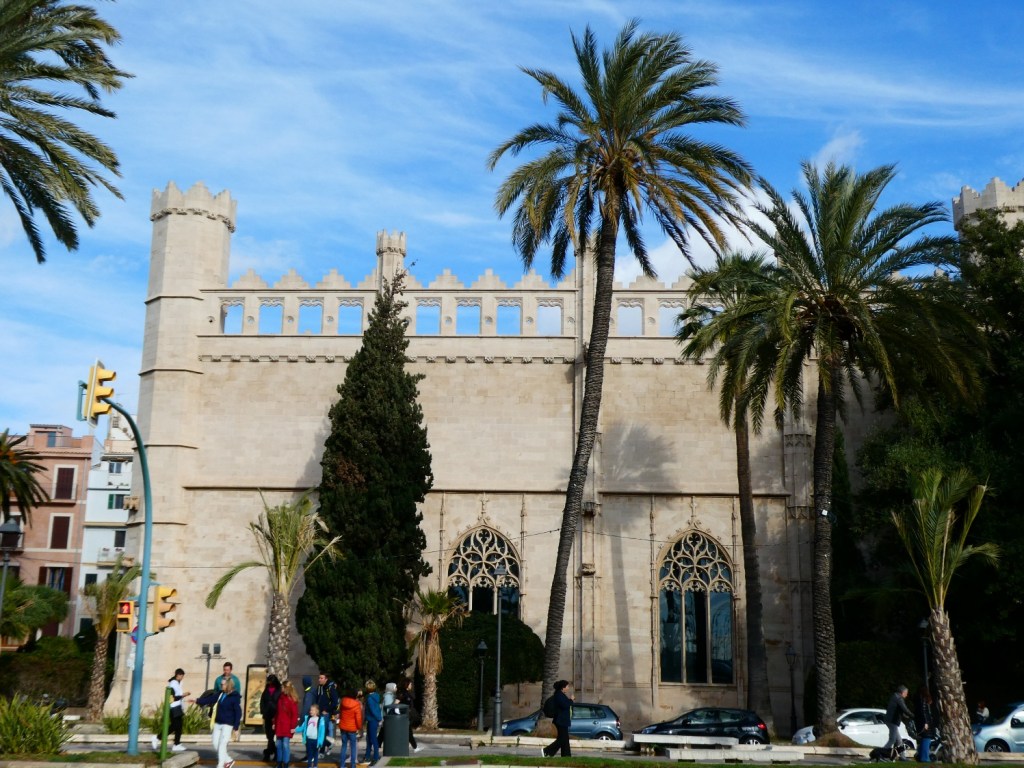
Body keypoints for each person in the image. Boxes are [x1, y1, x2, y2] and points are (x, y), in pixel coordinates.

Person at [195, 676, 242, 768]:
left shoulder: (234, 697)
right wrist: (197, 700)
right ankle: (228, 760)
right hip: (218, 722)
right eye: (221, 684)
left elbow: (238, 712)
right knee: (215, 743)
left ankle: (220, 765)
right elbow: (210, 699)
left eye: (222, 684)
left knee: (222, 744)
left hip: (227, 724)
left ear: (228, 685)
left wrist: (236, 727)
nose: (221, 686)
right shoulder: (220, 694)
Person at [157, 668, 190, 752]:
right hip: (173, 707)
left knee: (178, 726)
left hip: (178, 707)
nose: (182, 678)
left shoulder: (178, 683)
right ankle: (158, 738)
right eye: (181, 676)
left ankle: (176, 744)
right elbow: (172, 698)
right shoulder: (172, 684)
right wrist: (183, 695)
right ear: (178, 675)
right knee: (175, 726)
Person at [542, 679, 574, 758]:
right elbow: (565, 705)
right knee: (562, 739)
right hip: (560, 721)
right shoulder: (559, 695)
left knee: (565, 739)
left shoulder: (561, 695)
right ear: (563, 688)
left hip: (562, 720)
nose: (568, 688)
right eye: (567, 686)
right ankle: (547, 751)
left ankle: (566, 756)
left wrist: (569, 700)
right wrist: (571, 700)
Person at [882, 684, 913, 759]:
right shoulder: (899, 698)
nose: (907, 694)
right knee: (892, 739)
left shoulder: (895, 697)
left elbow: (898, 710)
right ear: (903, 692)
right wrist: (913, 716)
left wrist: (906, 716)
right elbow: (904, 709)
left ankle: (902, 757)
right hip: (892, 721)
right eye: (906, 693)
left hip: (891, 721)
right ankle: (882, 753)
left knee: (899, 741)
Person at [274, 681, 300, 768]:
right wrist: (274, 722)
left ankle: (285, 763)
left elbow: (294, 715)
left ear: (286, 688)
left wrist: (293, 727)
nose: (281, 688)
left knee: (285, 745)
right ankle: (279, 762)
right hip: (279, 725)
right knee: (278, 745)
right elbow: (277, 712)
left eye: (282, 687)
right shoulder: (280, 698)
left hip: (287, 726)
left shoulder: (292, 700)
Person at [337, 688, 363, 768]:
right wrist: (359, 727)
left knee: (344, 745)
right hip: (352, 728)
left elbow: (340, 713)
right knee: (353, 746)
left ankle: (342, 765)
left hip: (343, 726)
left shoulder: (343, 701)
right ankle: (353, 765)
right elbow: (358, 718)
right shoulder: (356, 704)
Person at [315, 673, 339, 755]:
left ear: (326, 679)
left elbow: (335, 702)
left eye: (321, 678)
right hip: (319, 712)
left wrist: (327, 710)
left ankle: (322, 751)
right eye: (319, 678)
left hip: (325, 714)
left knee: (323, 732)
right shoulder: (320, 687)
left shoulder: (330, 688)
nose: (319, 679)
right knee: (320, 732)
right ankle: (328, 743)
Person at [261, 673, 282, 762]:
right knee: (269, 736)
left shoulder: (279, 690)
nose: (270, 683)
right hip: (267, 715)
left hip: (276, 716)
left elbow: (280, 702)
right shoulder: (266, 690)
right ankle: (270, 751)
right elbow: (262, 701)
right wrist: (263, 711)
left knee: (276, 736)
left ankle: (272, 753)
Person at [298, 703, 326, 768]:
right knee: (309, 754)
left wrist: (320, 742)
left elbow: (322, 732)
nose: (310, 711)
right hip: (308, 739)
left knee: (315, 754)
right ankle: (309, 766)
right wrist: (295, 730)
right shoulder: (307, 718)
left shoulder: (320, 720)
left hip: (316, 740)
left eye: (312, 710)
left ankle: (315, 765)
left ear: (316, 711)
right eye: (310, 710)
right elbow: (302, 727)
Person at [396, 679, 420, 752]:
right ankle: (415, 747)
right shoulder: (402, 693)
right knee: (408, 732)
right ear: (406, 685)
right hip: (404, 716)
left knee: (408, 732)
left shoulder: (407, 693)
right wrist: (398, 712)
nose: (411, 685)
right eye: (410, 684)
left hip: (408, 715)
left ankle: (411, 747)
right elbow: (396, 703)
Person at [363, 680, 382, 765]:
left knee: (372, 739)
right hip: (373, 720)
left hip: (372, 720)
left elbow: (373, 710)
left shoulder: (369, 698)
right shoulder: (376, 696)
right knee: (370, 738)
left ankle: (375, 756)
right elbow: (377, 709)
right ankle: (367, 755)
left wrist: (378, 718)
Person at [915, 687, 935, 763]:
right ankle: (925, 758)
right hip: (925, 722)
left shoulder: (918, 699)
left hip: (920, 721)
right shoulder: (923, 699)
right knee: (926, 739)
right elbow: (924, 712)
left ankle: (921, 756)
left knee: (924, 739)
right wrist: (926, 722)